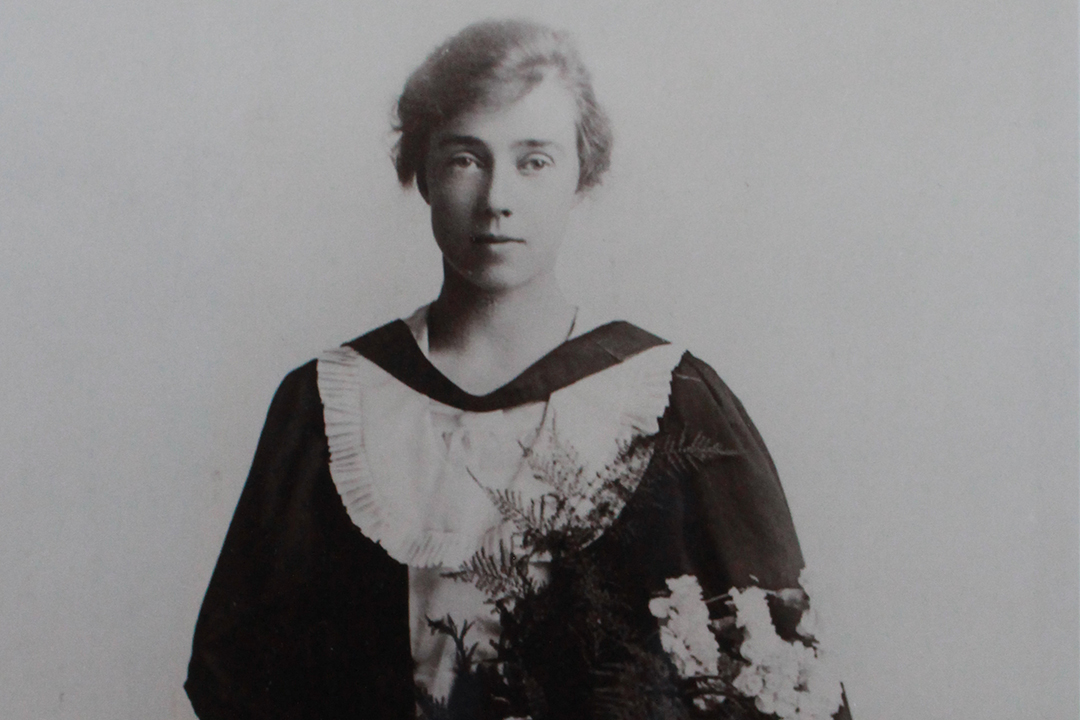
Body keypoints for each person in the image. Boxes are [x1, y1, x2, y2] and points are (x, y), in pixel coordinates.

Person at [185, 19, 851, 720]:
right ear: (423, 174)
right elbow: (235, 678)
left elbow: (781, 676)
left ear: (581, 175)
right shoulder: (332, 405)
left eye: (534, 161)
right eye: (465, 158)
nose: (497, 198)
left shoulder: (668, 399)